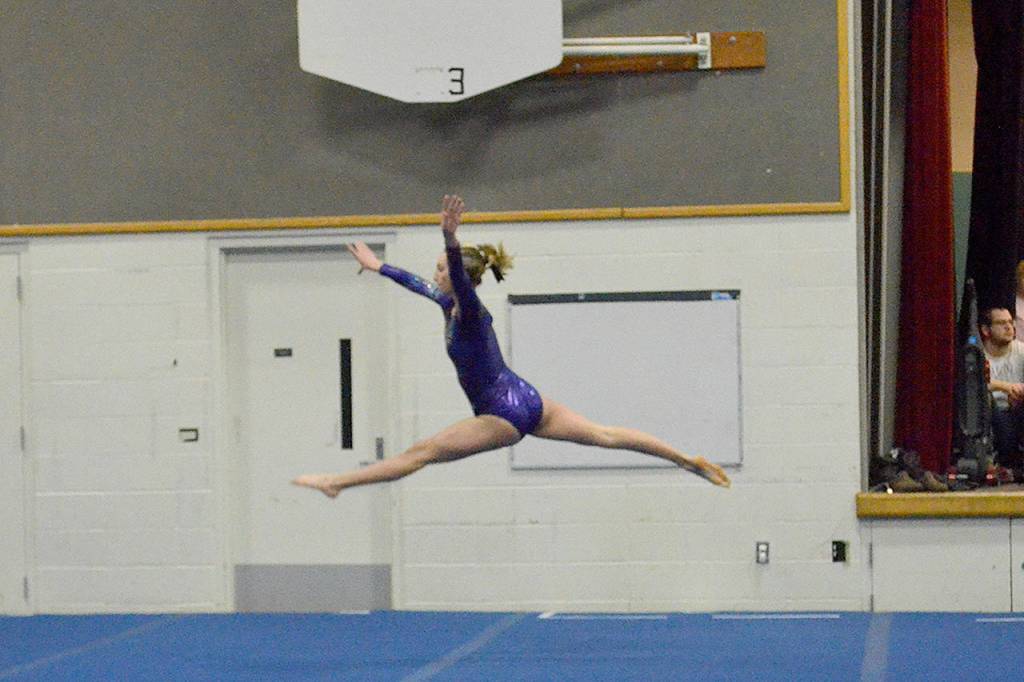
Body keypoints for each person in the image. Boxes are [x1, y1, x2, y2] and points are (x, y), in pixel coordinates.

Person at [292, 195, 731, 496]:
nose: (436, 273)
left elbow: (457, 282)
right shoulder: (447, 301)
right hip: (527, 398)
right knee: (604, 433)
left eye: (442, 267)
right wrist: (380, 266)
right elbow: (419, 284)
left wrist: (450, 237)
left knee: (420, 453)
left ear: (458, 276)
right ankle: (683, 459)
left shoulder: (468, 308)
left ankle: (338, 482)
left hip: (500, 413)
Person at [980, 307, 1024, 469]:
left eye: (1010, 322)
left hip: (1017, 409)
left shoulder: (1020, 350)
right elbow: (976, 385)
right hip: (990, 414)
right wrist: (1007, 387)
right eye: (1001, 323)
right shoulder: (978, 354)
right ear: (986, 330)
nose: (1008, 327)